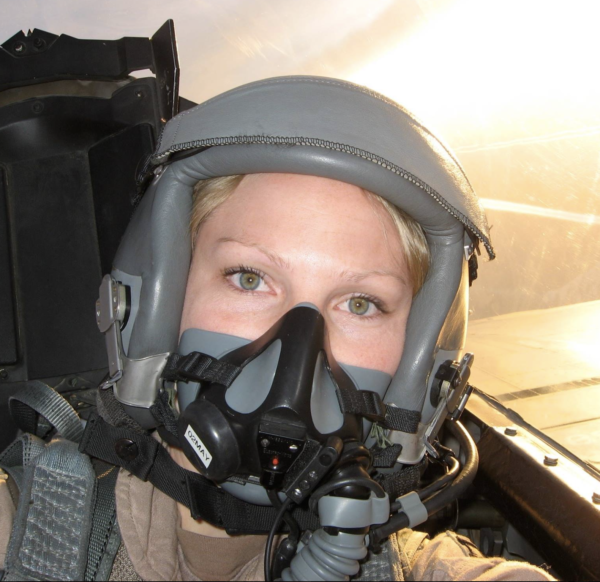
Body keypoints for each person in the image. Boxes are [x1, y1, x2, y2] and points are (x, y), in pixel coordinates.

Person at [0, 76, 555, 581]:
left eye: (360, 304)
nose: (297, 353)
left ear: (421, 371)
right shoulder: (23, 531)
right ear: (153, 310)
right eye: (249, 277)